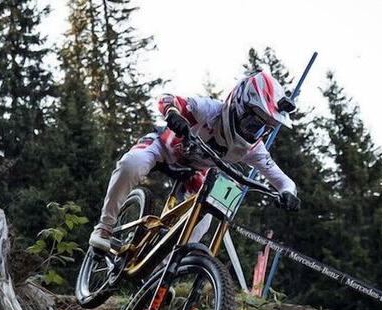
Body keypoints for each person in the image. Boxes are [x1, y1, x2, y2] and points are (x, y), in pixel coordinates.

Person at [89, 70, 301, 252]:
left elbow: (284, 181)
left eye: (264, 127)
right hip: (162, 148)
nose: (256, 130)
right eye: (255, 122)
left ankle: (161, 273)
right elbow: (167, 99)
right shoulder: (210, 110)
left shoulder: (253, 149)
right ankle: (105, 227)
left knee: (205, 216)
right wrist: (173, 114)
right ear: (239, 105)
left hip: (193, 172)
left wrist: (289, 194)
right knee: (131, 164)